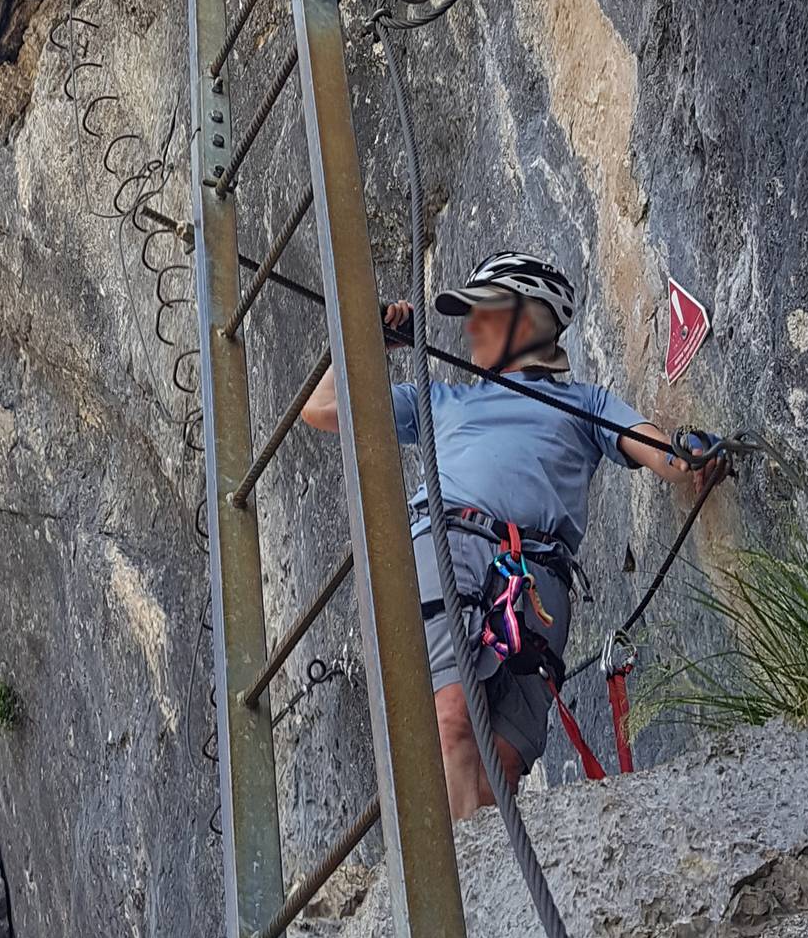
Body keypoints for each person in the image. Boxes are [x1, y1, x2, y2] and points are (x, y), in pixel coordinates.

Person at [301, 252, 727, 822]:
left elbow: (659, 452)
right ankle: (458, 895)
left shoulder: (585, 405)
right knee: (450, 717)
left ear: (528, 320)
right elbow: (321, 409)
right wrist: (371, 341)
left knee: (499, 763)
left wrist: (693, 454)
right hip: (451, 544)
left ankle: (484, 889)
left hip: (537, 578)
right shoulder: (441, 402)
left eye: (484, 312)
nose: (470, 327)